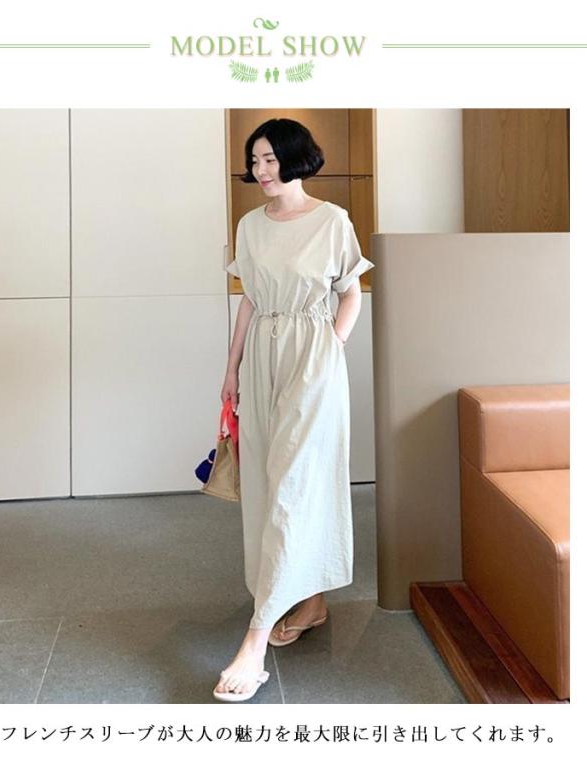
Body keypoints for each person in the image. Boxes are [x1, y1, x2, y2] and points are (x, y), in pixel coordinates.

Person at [214, 118, 374, 702]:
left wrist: (331, 347)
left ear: (296, 158)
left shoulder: (332, 221)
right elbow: (250, 301)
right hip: (262, 356)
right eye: (254, 160)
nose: (261, 170)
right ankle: (308, 600)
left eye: (271, 159)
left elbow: (350, 291)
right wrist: (231, 369)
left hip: (313, 358)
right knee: (267, 482)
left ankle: (254, 641)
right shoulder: (250, 225)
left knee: (294, 483)